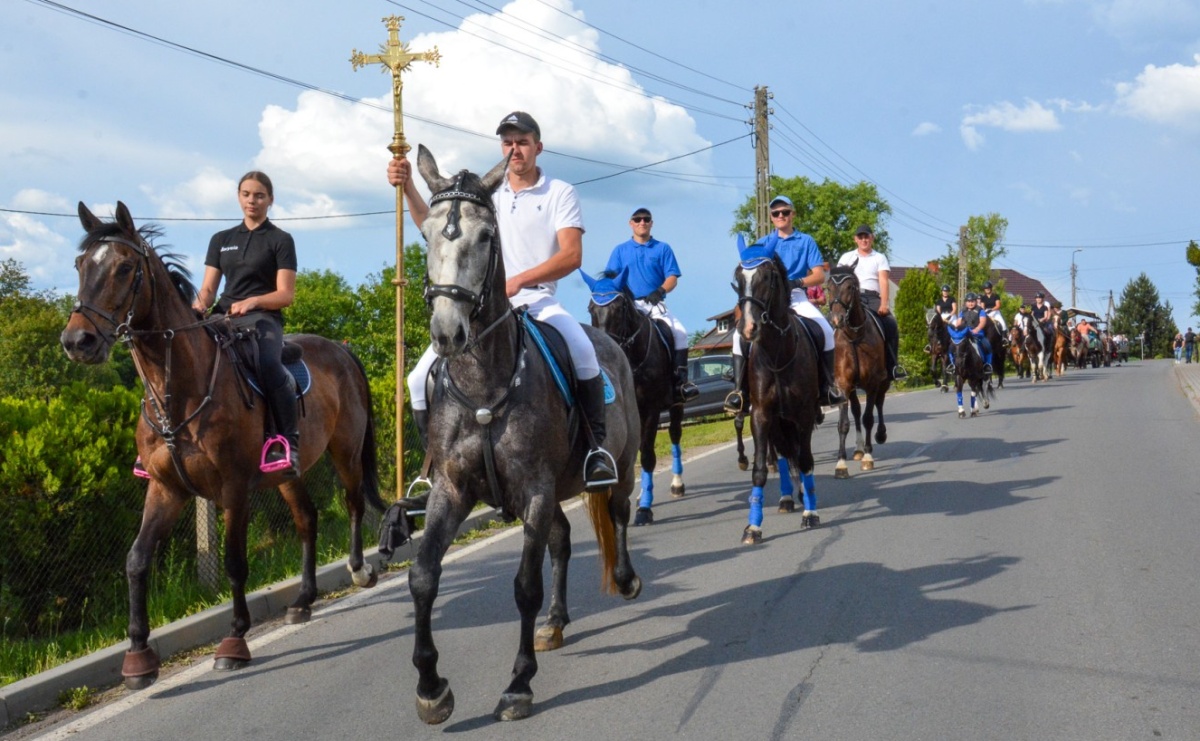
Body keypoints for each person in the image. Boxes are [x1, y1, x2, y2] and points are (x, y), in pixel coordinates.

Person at [388, 111, 616, 489]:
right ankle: (434, 470)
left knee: (584, 354)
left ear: (538, 147)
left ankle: (596, 451)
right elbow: (436, 228)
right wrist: (409, 186)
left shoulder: (560, 192)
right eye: (508, 143)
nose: (515, 150)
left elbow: (571, 255)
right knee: (416, 380)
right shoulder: (486, 195)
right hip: (484, 307)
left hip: (538, 301)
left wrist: (520, 279)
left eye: (522, 142)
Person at [189, 171, 300, 477]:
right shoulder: (221, 240)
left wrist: (254, 301)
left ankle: (286, 443)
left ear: (270, 200)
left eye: (260, 195)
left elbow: (286, 295)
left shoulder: (281, 240)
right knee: (182, 354)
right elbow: (208, 289)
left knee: (268, 364)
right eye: (247, 194)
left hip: (262, 318)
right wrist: (197, 307)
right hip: (222, 317)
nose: (253, 201)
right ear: (239, 197)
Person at [724, 195, 840, 413]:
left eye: (785, 212)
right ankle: (739, 391)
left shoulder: (805, 241)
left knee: (825, 329)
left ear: (792, 214)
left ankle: (827, 386)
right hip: (768, 302)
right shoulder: (762, 243)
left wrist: (798, 282)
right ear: (771, 217)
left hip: (796, 296)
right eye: (776, 213)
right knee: (739, 336)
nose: (780, 216)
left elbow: (819, 275)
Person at [603, 207, 698, 402]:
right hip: (628, 306)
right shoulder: (620, 250)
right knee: (609, 335)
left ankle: (680, 383)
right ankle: (606, 381)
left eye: (646, 219)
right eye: (638, 219)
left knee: (680, 333)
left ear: (651, 223)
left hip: (654, 304)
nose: (642, 222)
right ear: (631, 223)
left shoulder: (662, 248)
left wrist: (660, 291)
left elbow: (672, 277)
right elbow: (611, 278)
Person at [836, 224, 906, 380]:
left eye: (866, 236)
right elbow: (838, 281)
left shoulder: (879, 258)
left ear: (872, 238)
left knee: (891, 324)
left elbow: (883, 281)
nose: (864, 240)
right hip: (850, 298)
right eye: (860, 237)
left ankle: (893, 366)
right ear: (855, 239)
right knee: (832, 324)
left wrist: (884, 304)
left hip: (872, 297)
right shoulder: (846, 258)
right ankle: (831, 370)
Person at [948, 292, 994, 376]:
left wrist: (977, 329)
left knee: (988, 346)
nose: (970, 303)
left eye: (972, 301)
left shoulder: (980, 310)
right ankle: (952, 364)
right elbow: (959, 322)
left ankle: (987, 365)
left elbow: (983, 322)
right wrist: (956, 327)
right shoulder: (962, 311)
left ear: (975, 301)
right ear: (966, 302)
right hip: (964, 333)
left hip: (977, 333)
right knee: (951, 347)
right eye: (969, 301)